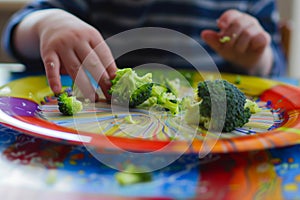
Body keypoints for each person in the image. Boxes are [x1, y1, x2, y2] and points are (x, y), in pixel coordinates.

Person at [1, 0, 287, 101]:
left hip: (215, 139)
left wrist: (256, 59)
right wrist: (47, 24)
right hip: (97, 123)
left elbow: (275, 69)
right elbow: (16, 37)